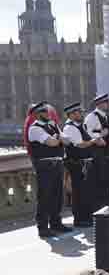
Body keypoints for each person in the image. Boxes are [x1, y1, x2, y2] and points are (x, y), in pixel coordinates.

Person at [27, 101, 67, 237]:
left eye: (47, 111)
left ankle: (56, 223)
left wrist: (58, 139)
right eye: (44, 111)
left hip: (57, 163)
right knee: (45, 196)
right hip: (44, 165)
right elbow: (53, 142)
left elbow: (66, 140)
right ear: (37, 114)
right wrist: (58, 139)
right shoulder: (34, 128)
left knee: (57, 195)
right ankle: (43, 227)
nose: (48, 113)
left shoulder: (53, 125)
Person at [60, 102, 96, 228]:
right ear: (71, 115)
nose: (81, 114)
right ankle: (80, 219)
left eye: (81, 112)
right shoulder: (70, 128)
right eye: (79, 113)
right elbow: (80, 144)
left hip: (84, 163)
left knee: (86, 191)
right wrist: (94, 141)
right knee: (79, 192)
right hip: (76, 164)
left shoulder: (80, 126)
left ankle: (86, 216)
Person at [85, 93, 109, 210]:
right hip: (97, 153)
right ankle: (99, 207)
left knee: (108, 179)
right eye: (106, 102)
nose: (108, 104)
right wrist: (99, 136)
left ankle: (106, 204)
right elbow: (88, 133)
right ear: (99, 104)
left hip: (107, 152)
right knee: (99, 179)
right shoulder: (91, 117)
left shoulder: (108, 117)